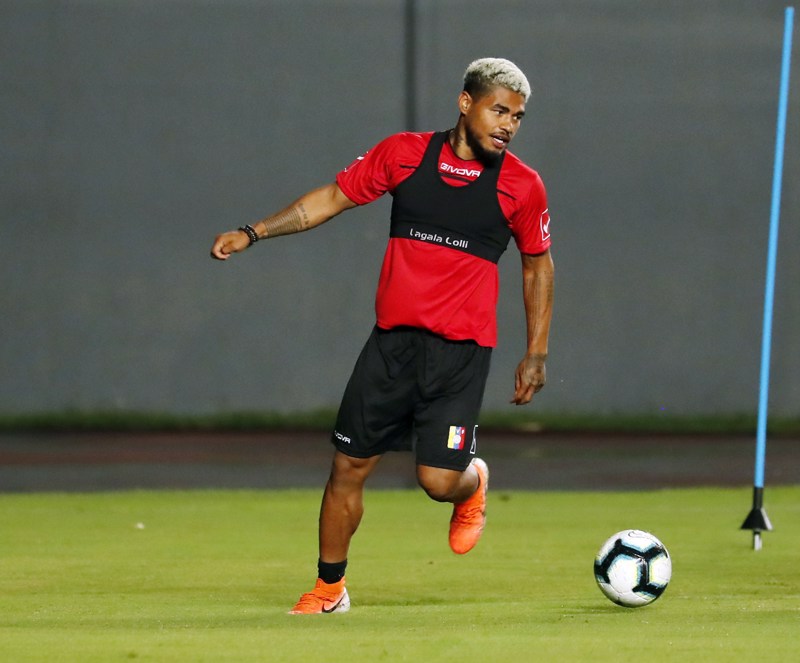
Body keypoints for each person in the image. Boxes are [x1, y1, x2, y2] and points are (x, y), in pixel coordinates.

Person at [210, 57, 554, 614]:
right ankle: (330, 589)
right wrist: (255, 232)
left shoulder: (522, 185)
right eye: (499, 111)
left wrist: (536, 351)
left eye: (517, 117)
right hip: (391, 348)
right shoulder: (404, 154)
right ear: (465, 102)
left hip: (460, 355)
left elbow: (538, 266)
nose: (508, 125)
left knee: (437, 482)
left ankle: (473, 483)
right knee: (347, 468)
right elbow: (331, 198)